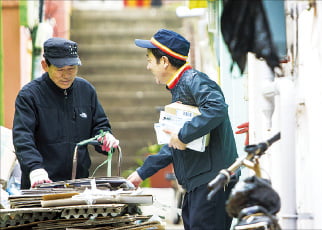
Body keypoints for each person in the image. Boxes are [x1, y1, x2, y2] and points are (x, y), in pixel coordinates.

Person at [127, 29, 239, 230]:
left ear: (164, 61)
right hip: (201, 182)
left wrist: (183, 134)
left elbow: (217, 107)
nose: (147, 66)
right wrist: (142, 173)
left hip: (212, 181)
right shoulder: (181, 86)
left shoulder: (193, 80)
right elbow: (174, 143)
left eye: (149, 60)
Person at [12, 37, 120, 189]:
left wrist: (105, 138)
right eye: (60, 70)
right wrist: (34, 168)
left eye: (72, 69)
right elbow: (23, 138)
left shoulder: (86, 90)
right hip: (41, 183)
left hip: (79, 184)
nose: (67, 75)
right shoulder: (29, 96)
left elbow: (99, 125)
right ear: (45, 65)